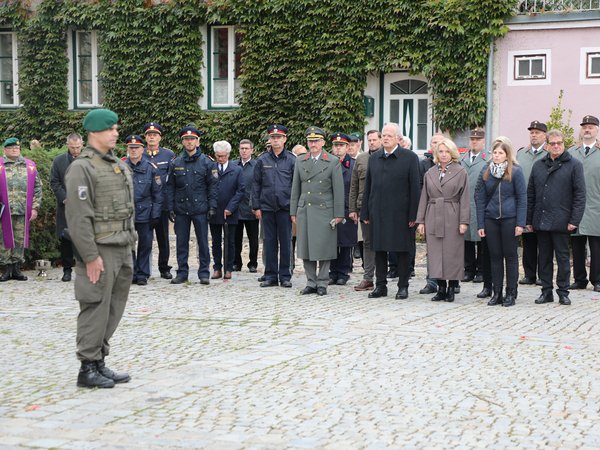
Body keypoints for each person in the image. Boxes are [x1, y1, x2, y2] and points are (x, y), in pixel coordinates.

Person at [64, 109, 134, 388]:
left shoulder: (116, 164)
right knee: (95, 305)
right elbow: (79, 217)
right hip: (100, 249)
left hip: (122, 246)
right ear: (94, 132)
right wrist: (90, 256)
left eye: (116, 128)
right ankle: (87, 367)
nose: (116, 133)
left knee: (114, 307)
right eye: (110, 129)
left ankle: (100, 360)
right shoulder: (82, 167)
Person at [360, 122, 421, 300]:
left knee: (402, 250)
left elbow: (415, 188)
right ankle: (380, 286)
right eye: (383, 135)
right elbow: (368, 186)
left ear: (397, 139)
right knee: (379, 249)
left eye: (389, 135)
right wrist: (365, 212)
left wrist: (413, 214)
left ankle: (403, 286)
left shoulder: (409, 158)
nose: (385, 138)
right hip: (377, 211)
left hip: (401, 213)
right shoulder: (374, 158)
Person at [527, 130, 586, 306]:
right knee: (543, 258)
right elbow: (531, 194)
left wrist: (574, 220)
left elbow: (580, 195)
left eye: (559, 143)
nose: (556, 146)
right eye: (552, 143)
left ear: (564, 144)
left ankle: (563, 291)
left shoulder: (574, 165)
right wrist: (528, 220)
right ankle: (546, 292)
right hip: (542, 220)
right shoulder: (538, 165)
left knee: (562, 259)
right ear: (546, 145)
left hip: (562, 220)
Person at [290, 127, 344, 296]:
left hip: (324, 209)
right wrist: (293, 210)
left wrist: (338, 214)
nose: (312, 144)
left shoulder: (332, 161)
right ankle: (310, 281)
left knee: (324, 248)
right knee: (306, 248)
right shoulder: (300, 160)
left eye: (316, 141)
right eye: (310, 141)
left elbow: (338, 190)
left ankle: (322, 282)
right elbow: (295, 187)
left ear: (322, 142)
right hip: (305, 208)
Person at [416, 138, 469, 302]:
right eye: (441, 151)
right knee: (435, 252)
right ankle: (440, 287)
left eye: (447, 151)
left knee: (452, 252)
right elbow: (424, 197)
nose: (444, 155)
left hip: (452, 214)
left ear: (452, 153)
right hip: (433, 214)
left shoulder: (460, 172)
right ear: (436, 154)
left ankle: (452, 286)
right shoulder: (430, 173)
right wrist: (421, 221)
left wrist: (464, 221)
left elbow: (465, 198)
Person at [475, 140, 527, 307]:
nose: (496, 156)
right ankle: (496, 292)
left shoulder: (516, 172)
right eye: (494, 153)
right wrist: (480, 224)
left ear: (507, 155)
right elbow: (480, 199)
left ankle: (510, 292)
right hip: (491, 219)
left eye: (500, 153)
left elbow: (522, 198)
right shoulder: (486, 171)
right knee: (495, 256)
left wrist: (520, 223)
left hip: (509, 219)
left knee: (510, 256)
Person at [167, 126, 218, 285]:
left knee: (203, 242)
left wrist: (212, 206)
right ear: (182, 142)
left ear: (198, 141)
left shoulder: (207, 162)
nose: (189, 142)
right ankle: (182, 273)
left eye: (192, 139)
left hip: (200, 209)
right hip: (181, 209)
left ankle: (204, 273)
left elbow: (213, 186)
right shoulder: (176, 162)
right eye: (186, 139)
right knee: (181, 243)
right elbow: (170, 187)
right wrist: (170, 207)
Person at [252, 124, 295, 288]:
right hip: (267, 208)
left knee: (285, 243)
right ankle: (270, 275)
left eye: (279, 137)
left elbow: (295, 185)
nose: (275, 140)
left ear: (285, 139)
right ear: (269, 139)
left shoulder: (291, 160)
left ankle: (285, 276)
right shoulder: (262, 160)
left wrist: (294, 207)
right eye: (273, 137)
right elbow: (256, 185)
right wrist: (256, 206)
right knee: (269, 243)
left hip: (285, 208)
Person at [0, 138, 42, 282]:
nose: (14, 150)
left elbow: (37, 188)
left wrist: (35, 208)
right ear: (5, 150)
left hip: (23, 210)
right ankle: (6, 270)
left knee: (19, 239)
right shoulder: (0, 165)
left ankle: (16, 269)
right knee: (4, 240)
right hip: (4, 211)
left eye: (16, 148)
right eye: (11, 148)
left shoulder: (29, 166)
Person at [125, 135, 162, 286]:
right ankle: (131, 272)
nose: (133, 151)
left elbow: (158, 194)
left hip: (145, 212)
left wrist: (156, 214)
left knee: (145, 244)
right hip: (126, 213)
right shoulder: (121, 167)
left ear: (142, 149)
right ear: (127, 149)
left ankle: (142, 273)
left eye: (136, 148)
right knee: (127, 244)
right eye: (131, 148)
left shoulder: (151, 168)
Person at [460, 127, 493, 299]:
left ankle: (481, 270)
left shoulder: (487, 159)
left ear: (483, 141)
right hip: (465, 203)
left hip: (480, 203)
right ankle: (468, 269)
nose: (474, 142)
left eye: (477, 139)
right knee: (466, 238)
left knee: (481, 238)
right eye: (472, 139)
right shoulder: (463, 158)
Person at [569, 115, 600, 291]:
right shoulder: (572, 152)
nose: (587, 130)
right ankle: (579, 279)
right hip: (576, 207)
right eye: (585, 127)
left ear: (597, 130)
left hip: (597, 206)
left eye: (591, 127)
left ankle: (597, 279)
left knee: (597, 246)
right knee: (577, 245)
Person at [143, 122, 175, 279]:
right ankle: (144, 268)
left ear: (160, 138)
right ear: (145, 138)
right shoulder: (138, 154)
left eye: (154, 135)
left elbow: (171, 182)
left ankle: (164, 267)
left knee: (163, 238)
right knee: (144, 238)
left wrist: (170, 206)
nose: (152, 137)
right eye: (149, 135)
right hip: (144, 205)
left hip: (161, 204)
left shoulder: (168, 155)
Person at [516, 120, 547, 286]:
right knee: (528, 241)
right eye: (532, 132)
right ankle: (529, 275)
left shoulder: (550, 153)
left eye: (537, 132)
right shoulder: (522, 154)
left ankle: (543, 275)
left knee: (543, 242)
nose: (534, 135)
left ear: (545, 136)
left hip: (543, 203)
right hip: (526, 203)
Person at [50, 133, 83, 282]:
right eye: (73, 147)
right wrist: (65, 198)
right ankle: (67, 269)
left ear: (82, 144)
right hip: (66, 207)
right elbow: (54, 182)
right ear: (67, 145)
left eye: (78, 147)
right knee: (66, 240)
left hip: (86, 207)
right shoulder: (59, 161)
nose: (76, 150)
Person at [209, 140, 244, 280]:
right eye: (218, 156)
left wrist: (231, 207)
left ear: (228, 155)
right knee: (216, 241)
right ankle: (217, 267)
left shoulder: (236, 169)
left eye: (223, 156)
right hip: (214, 210)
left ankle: (229, 268)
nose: (221, 158)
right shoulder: (210, 168)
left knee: (230, 241)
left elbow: (241, 190)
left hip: (231, 210)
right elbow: (208, 188)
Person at [328, 132, 357, 285]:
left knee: (346, 242)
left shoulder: (353, 165)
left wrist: (354, 209)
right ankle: (332, 272)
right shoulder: (328, 164)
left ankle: (343, 272)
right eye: (336, 145)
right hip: (330, 208)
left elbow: (356, 188)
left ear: (347, 147)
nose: (338, 148)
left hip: (347, 208)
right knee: (331, 241)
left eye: (341, 145)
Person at [418, 133, 445, 295]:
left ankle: (451, 281)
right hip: (431, 210)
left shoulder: (456, 165)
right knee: (432, 248)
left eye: (439, 143)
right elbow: (421, 190)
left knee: (449, 248)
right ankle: (431, 281)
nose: (436, 146)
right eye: (433, 143)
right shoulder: (424, 165)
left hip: (449, 211)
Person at [233, 139, 259, 273]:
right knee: (235, 239)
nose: (244, 151)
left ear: (252, 150)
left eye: (246, 148)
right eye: (242, 148)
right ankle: (236, 263)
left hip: (251, 208)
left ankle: (253, 263)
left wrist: (257, 206)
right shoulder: (233, 165)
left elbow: (259, 186)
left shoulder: (256, 166)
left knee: (253, 239)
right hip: (236, 209)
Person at [290, 144, 308, 272]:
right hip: (293, 207)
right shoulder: (292, 166)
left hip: (306, 207)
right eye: (300, 155)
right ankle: (290, 264)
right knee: (291, 239)